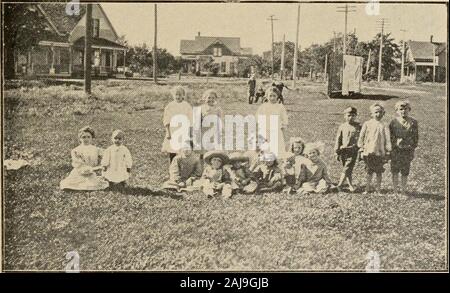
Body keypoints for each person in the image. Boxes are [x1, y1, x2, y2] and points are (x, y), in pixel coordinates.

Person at [60, 127, 109, 191]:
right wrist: (97, 168)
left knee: (94, 184)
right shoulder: (75, 150)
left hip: (91, 174)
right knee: (70, 184)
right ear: (80, 138)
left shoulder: (95, 149)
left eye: (88, 137)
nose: (86, 139)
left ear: (92, 138)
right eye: (84, 137)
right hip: (79, 173)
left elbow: (107, 154)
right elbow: (80, 167)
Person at [357, 103, 392, 194]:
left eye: (380, 112)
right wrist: (361, 149)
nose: (378, 114)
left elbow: (388, 139)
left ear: (383, 113)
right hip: (368, 151)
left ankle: (378, 189)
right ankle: (367, 188)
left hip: (379, 152)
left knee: (379, 171)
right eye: (376, 112)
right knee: (369, 171)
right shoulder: (367, 124)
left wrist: (388, 151)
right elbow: (361, 137)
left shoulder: (384, 125)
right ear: (371, 114)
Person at [389, 100, 419, 194]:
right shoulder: (393, 122)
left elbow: (415, 137)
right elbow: (390, 136)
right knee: (395, 170)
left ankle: (403, 190)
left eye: (406, 109)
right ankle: (395, 190)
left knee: (405, 170)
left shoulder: (413, 122)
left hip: (407, 150)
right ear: (397, 111)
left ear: (409, 110)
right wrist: (394, 143)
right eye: (400, 109)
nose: (403, 111)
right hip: (396, 150)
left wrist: (412, 147)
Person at [161, 86, 193, 163]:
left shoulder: (187, 106)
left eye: (180, 94)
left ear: (183, 95)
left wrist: (190, 132)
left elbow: (191, 120)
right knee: (172, 151)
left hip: (183, 131)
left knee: (183, 151)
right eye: (176, 95)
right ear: (173, 95)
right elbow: (166, 120)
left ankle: (181, 170)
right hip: (173, 131)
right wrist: (168, 133)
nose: (178, 96)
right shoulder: (170, 106)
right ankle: (172, 170)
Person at [255, 86, 289, 159]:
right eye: (270, 96)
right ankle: (265, 163)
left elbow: (284, 119)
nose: (272, 98)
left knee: (277, 148)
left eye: (274, 96)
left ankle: (278, 162)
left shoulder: (280, 107)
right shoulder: (263, 107)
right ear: (266, 96)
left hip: (276, 131)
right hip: (265, 130)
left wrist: (283, 126)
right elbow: (258, 117)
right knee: (265, 148)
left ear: (277, 96)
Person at [334, 107, 361, 192]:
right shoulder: (342, 126)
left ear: (356, 116)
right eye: (349, 115)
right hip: (343, 151)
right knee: (346, 168)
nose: (351, 117)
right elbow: (338, 139)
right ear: (344, 116)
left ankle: (340, 185)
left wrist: (360, 149)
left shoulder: (358, 127)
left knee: (347, 168)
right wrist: (336, 151)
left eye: (353, 115)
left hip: (352, 151)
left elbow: (361, 139)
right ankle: (350, 185)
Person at [198, 89, 223, 154]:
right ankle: (202, 163)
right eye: (209, 97)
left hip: (214, 131)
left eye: (213, 98)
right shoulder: (201, 108)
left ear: (216, 99)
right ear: (204, 98)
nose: (211, 99)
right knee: (203, 149)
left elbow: (220, 121)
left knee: (213, 150)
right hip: (204, 131)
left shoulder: (218, 109)